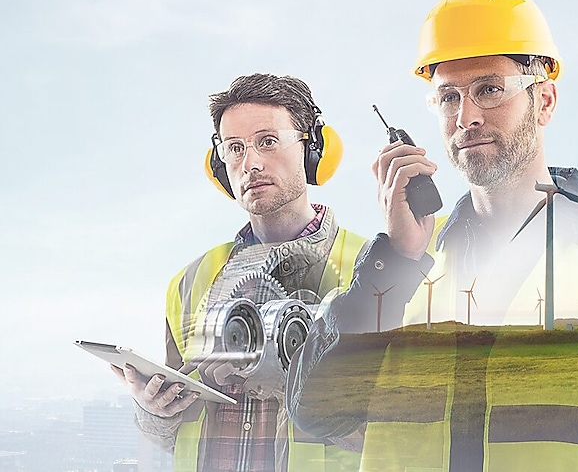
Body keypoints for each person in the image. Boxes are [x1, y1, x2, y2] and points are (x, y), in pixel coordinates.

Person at [288, 0, 578, 471]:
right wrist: (395, 258)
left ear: (545, 101)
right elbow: (316, 414)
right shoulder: (399, 268)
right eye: (448, 97)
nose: (465, 116)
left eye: (489, 90)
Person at [114, 73, 433, 471]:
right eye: (234, 148)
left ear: (312, 148)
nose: (251, 163)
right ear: (220, 165)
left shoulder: (378, 271)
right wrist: (155, 410)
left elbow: (410, 433)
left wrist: (300, 387)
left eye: (267, 141)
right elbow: (171, 432)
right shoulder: (191, 281)